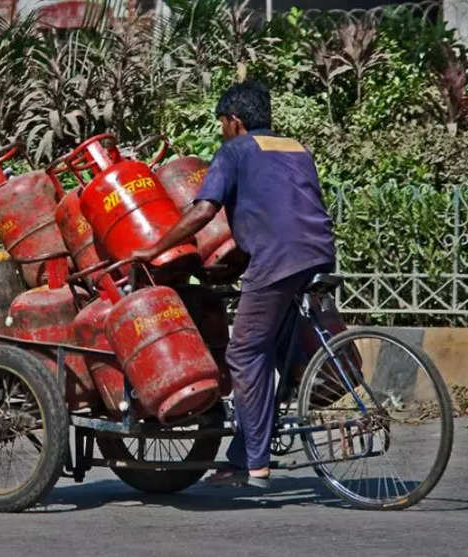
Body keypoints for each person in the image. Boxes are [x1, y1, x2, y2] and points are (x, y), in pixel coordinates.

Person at [131, 80, 336, 488]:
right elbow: (280, 203)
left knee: (243, 354)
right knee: (270, 350)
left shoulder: (235, 150)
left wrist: (156, 248)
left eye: (221, 122)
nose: (221, 130)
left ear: (235, 121)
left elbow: (204, 209)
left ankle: (255, 465)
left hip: (277, 259)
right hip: (318, 251)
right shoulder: (295, 147)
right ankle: (243, 454)